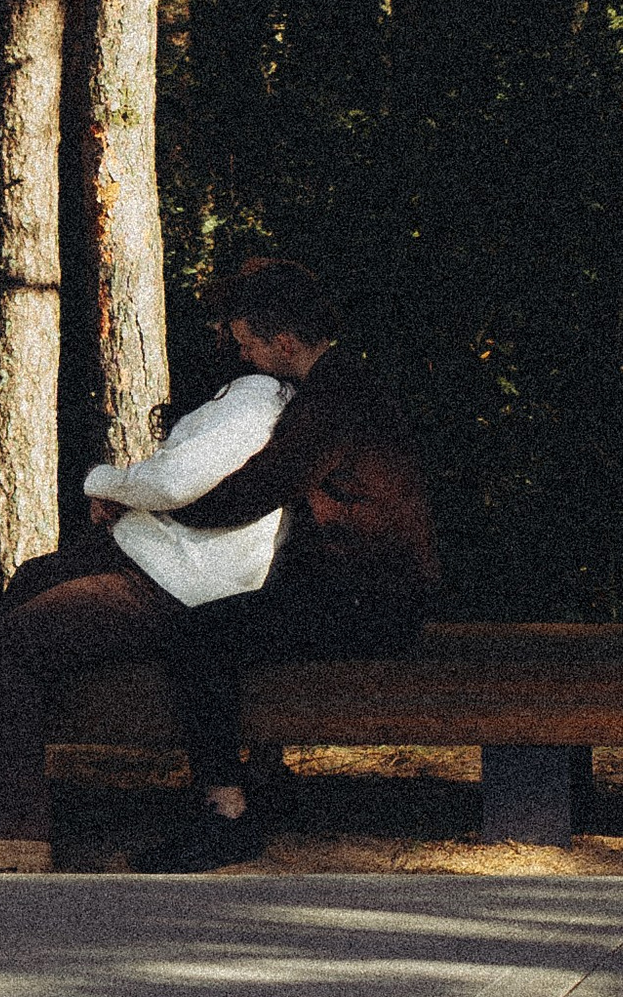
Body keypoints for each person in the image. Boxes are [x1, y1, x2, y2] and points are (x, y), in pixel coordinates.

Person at [0, 359, 290, 873]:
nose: (219, 335)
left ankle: (9, 837)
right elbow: (192, 490)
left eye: (231, 326)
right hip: (161, 559)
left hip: (175, 580)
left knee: (16, 643)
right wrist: (127, 502)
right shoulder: (254, 397)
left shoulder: (253, 400)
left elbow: (173, 483)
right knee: (32, 580)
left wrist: (103, 482)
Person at [149, 256, 441, 868]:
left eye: (246, 344)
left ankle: (225, 813)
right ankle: (255, 779)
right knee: (237, 619)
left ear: (282, 341)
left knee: (198, 635)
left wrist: (157, 507)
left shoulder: (333, 400)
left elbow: (256, 489)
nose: (243, 357)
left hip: (375, 603)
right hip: (371, 591)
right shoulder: (340, 385)